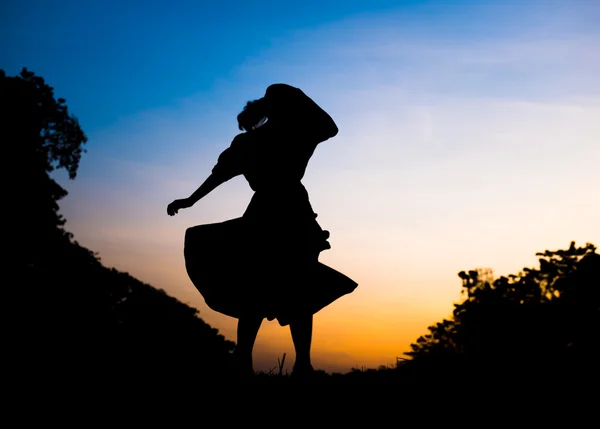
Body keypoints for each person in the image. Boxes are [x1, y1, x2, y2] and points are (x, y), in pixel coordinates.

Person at [167, 83, 357, 381]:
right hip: (275, 212)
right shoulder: (263, 141)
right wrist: (190, 200)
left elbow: (329, 128)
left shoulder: (295, 135)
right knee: (265, 286)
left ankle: (297, 364)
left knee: (291, 286)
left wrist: (291, 94)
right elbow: (219, 175)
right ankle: (252, 358)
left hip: (290, 213)